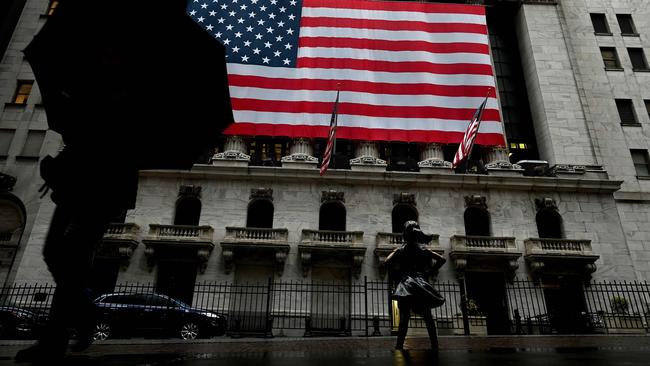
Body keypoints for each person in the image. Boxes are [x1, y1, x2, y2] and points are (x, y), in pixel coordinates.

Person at [15, 148, 139, 363]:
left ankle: (55, 339)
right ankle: (82, 314)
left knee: (73, 259)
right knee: (55, 254)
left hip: (98, 194)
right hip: (71, 191)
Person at [384, 220, 447, 351]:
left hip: (406, 284)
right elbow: (442, 259)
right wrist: (430, 271)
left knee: (404, 317)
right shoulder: (423, 249)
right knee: (427, 316)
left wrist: (396, 273)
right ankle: (435, 345)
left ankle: (399, 345)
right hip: (420, 282)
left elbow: (386, 261)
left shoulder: (400, 250)